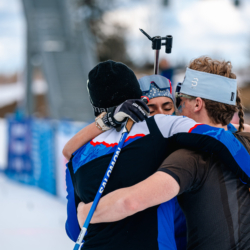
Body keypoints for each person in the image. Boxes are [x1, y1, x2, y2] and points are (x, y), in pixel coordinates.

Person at [76, 57, 250, 249]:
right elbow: (221, 132)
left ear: (198, 104)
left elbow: (130, 202)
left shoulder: (186, 157)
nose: (173, 113)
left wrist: (86, 213)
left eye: (178, 102)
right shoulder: (242, 138)